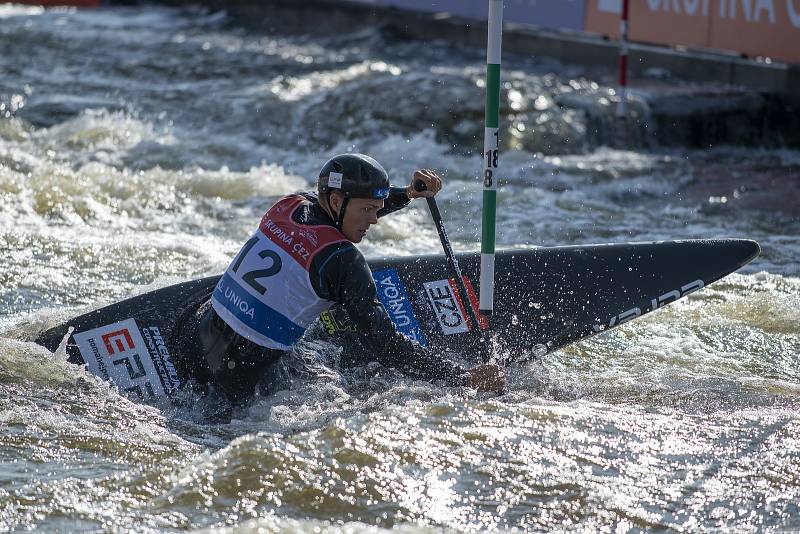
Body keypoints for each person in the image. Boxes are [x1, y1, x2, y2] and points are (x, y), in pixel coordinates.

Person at [179, 153, 505, 405]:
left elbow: (341, 212)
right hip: (242, 377)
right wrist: (461, 378)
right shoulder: (344, 261)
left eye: (378, 208)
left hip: (198, 339)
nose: (375, 220)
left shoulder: (290, 205)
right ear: (336, 201)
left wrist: (406, 194)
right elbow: (387, 345)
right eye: (368, 210)